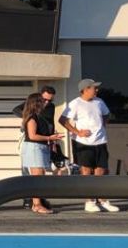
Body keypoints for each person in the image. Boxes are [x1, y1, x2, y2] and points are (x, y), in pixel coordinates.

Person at [59, 78, 119, 213]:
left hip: (101, 141)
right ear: (85, 90)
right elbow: (62, 120)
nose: (96, 90)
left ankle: (103, 200)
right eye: (94, 88)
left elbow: (106, 114)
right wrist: (77, 132)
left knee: (101, 171)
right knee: (86, 171)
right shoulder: (75, 103)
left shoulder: (99, 102)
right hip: (83, 143)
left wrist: (103, 125)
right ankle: (90, 201)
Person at [12, 85, 59, 209]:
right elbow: (16, 110)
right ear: (39, 98)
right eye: (45, 100)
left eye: (50, 100)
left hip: (44, 140)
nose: (47, 102)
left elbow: (51, 123)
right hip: (33, 141)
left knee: (41, 172)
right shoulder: (32, 109)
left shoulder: (51, 107)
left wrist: (52, 140)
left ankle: (39, 200)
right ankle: (30, 200)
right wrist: (28, 117)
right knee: (31, 172)